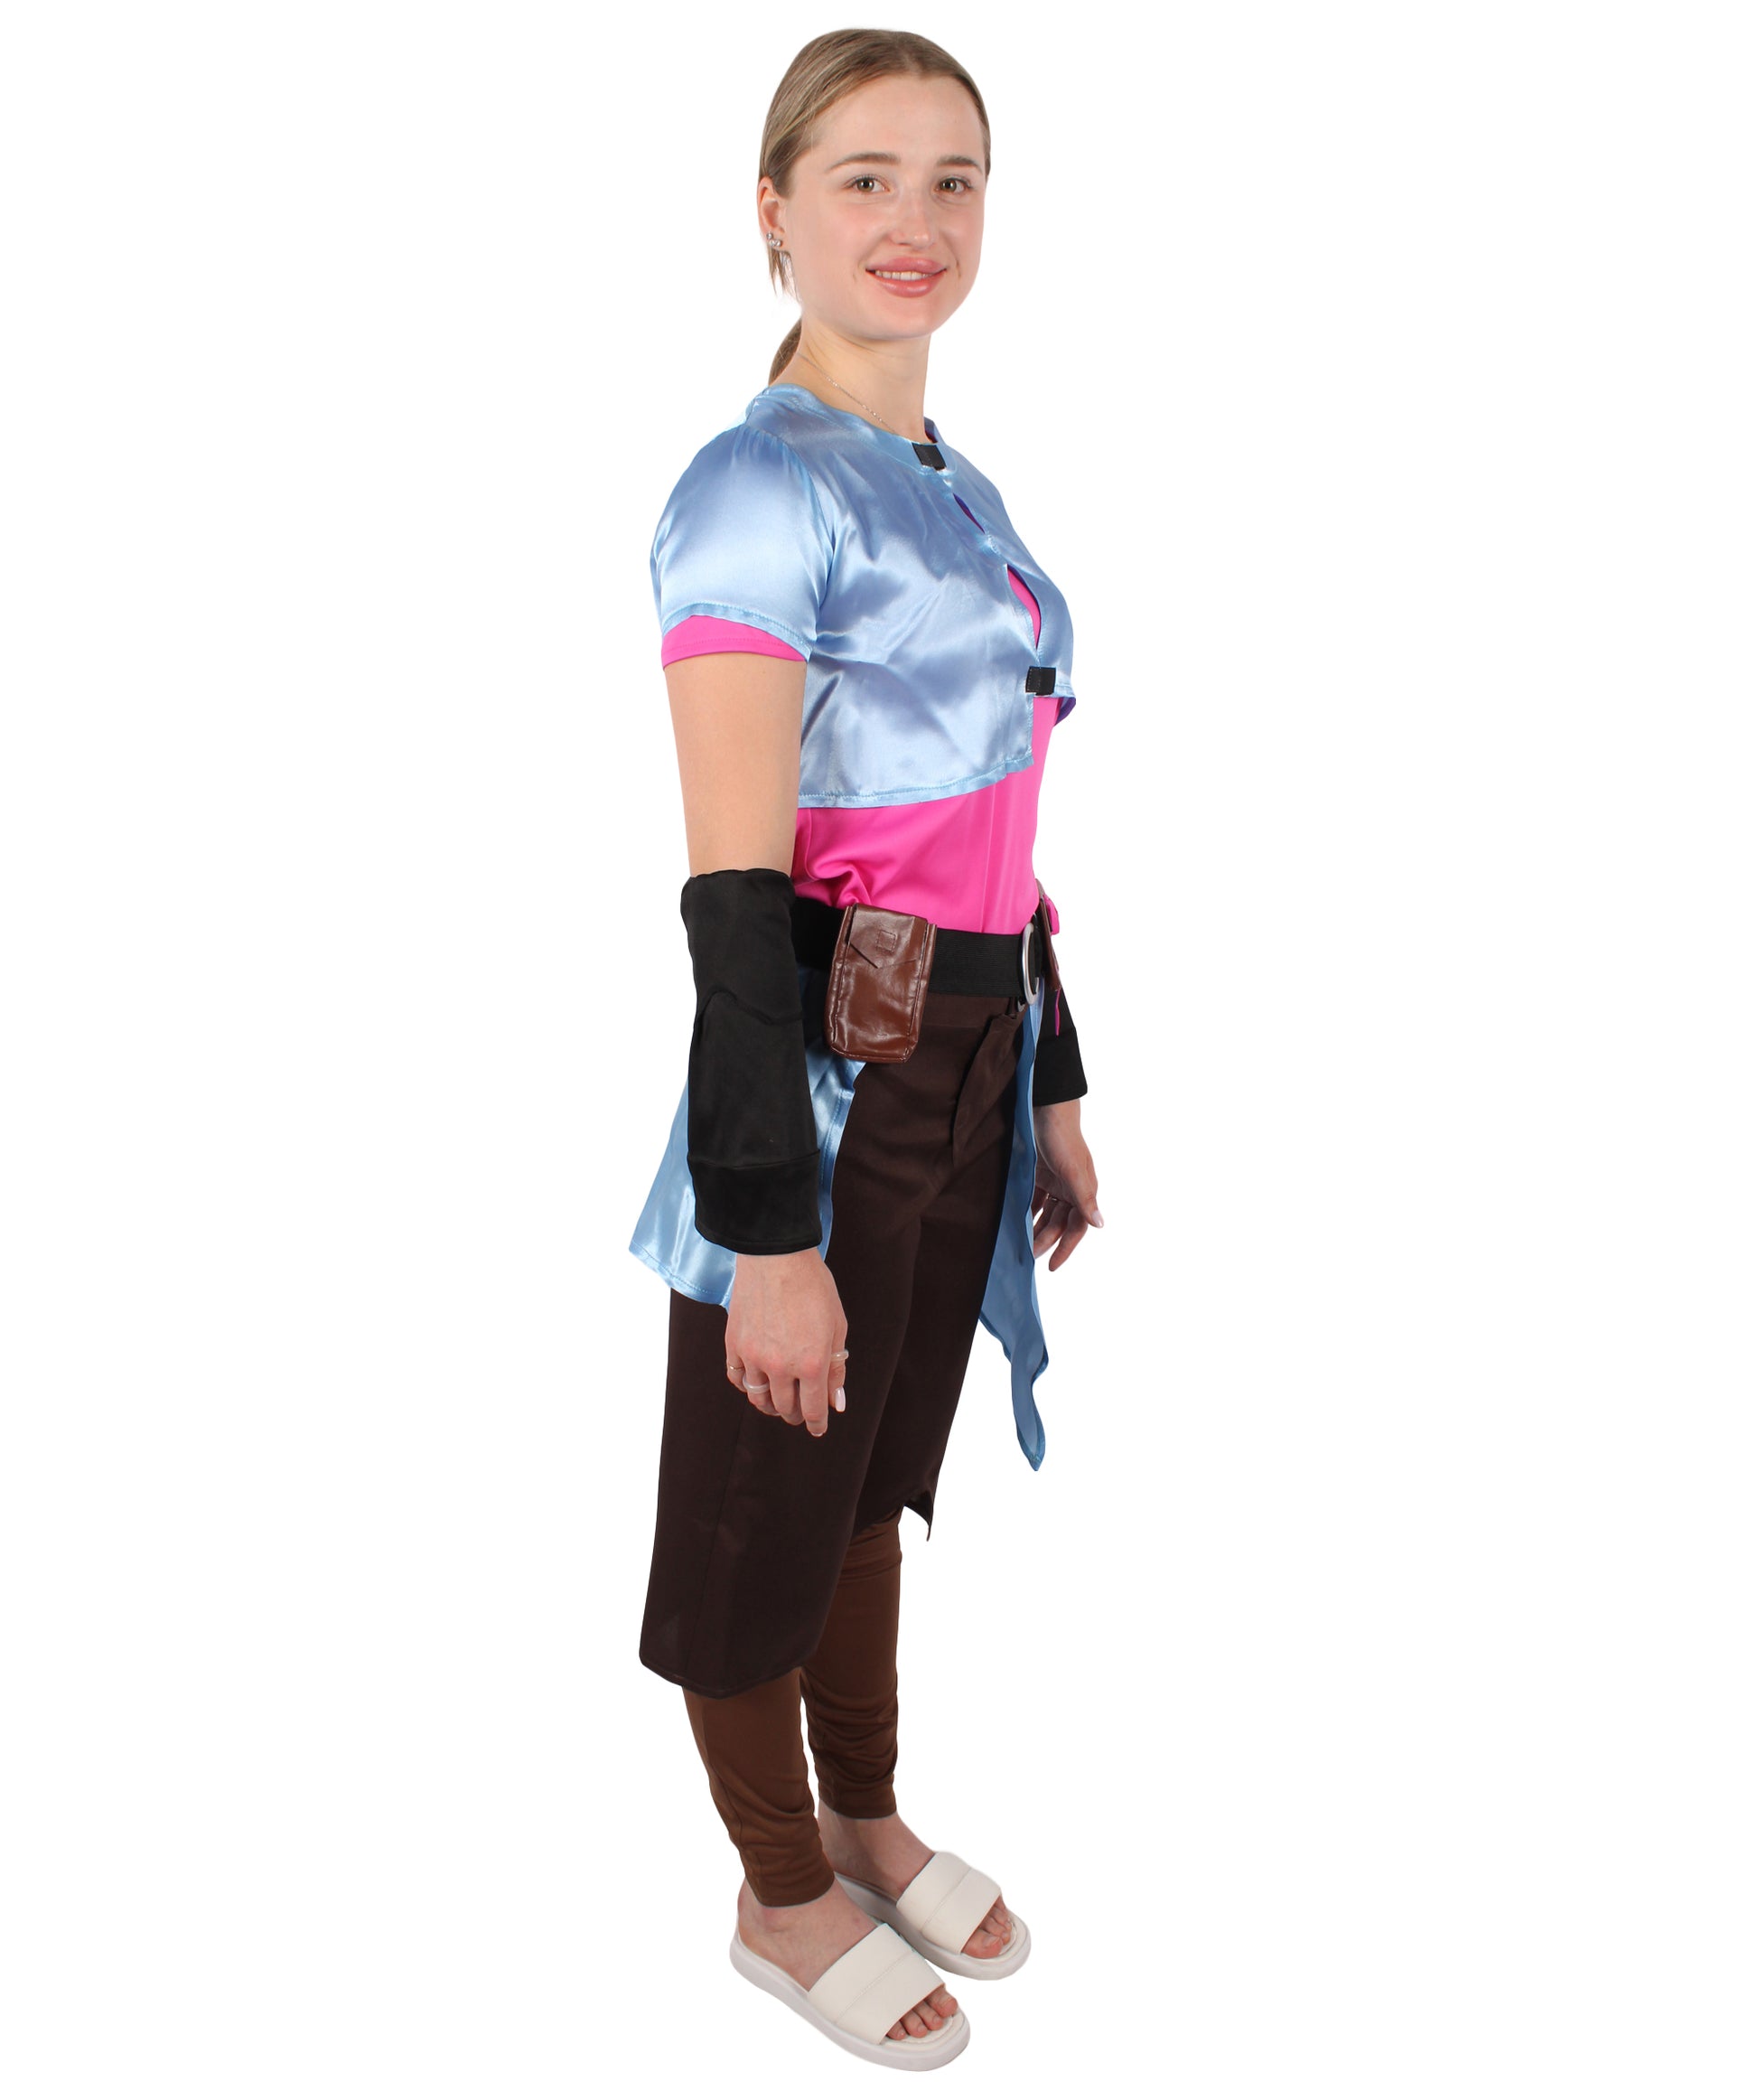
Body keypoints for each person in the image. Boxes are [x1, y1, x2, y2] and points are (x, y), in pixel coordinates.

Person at [628, 30, 1103, 2071]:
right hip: (820, 1077)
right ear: (772, 210)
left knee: (871, 1474)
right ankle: (774, 1881)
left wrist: (1049, 1079)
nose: (915, 222)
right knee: (763, 1493)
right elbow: (739, 894)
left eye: (953, 180)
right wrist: (770, 1230)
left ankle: (864, 1811)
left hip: (966, 1051)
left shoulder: (956, 489)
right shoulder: (752, 490)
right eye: (863, 178)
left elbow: (999, 831)